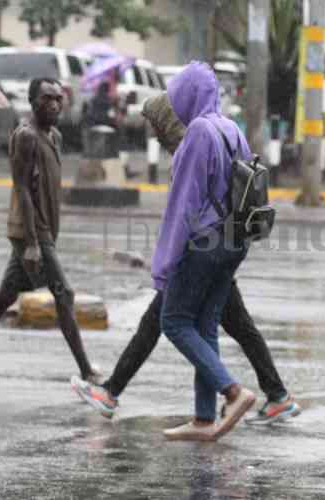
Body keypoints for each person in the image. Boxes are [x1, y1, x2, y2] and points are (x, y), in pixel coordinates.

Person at [71, 92, 300, 425]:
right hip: (220, 247)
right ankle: (249, 401)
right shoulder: (212, 137)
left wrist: (168, 258)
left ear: (167, 121)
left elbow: (184, 212)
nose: (152, 132)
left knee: (170, 323)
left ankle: (238, 394)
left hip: (199, 253)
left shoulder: (193, 146)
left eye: (154, 124)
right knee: (216, 326)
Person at [0, 78, 100, 387]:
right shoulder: (25, 136)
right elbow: (22, 188)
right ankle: (87, 369)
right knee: (64, 294)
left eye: (59, 98)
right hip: (31, 231)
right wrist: (34, 243)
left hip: (45, 229)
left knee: (3, 299)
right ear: (33, 101)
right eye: (47, 98)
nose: (54, 104)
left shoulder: (55, 137)